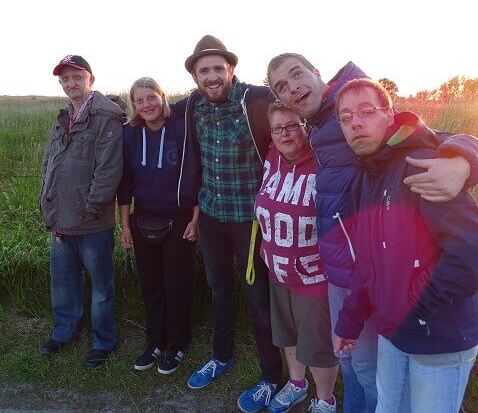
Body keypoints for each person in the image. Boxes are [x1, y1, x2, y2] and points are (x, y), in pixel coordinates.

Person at [266, 54, 478, 412]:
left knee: (373, 371)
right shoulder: (317, 131)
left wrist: (465, 159)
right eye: (281, 86)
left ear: (316, 72)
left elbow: (425, 137)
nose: (292, 87)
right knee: (354, 364)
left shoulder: (357, 110)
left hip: (385, 283)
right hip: (352, 274)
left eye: (297, 74)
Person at [332, 78, 478, 412]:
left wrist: (412, 305)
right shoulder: (365, 180)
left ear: (389, 114)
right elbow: (367, 264)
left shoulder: (423, 165)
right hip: (392, 335)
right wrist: (349, 323)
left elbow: (470, 255)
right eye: (345, 118)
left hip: (439, 340)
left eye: (366, 111)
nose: (355, 123)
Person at [171, 35, 283, 413]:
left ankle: (271, 376)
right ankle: (221, 356)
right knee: (220, 290)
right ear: (195, 77)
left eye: (218, 68)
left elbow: (300, 117)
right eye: (204, 71)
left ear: (231, 69)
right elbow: (153, 111)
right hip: (211, 218)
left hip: (250, 221)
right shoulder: (192, 106)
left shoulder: (257, 100)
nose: (212, 77)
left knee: (258, 299)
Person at [39, 54, 124, 370]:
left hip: (91, 221)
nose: (70, 83)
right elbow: (50, 163)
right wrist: (49, 207)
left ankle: (103, 342)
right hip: (60, 220)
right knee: (63, 284)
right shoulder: (64, 117)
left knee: (101, 287)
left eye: (77, 77)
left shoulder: (106, 117)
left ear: (91, 79)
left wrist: (90, 208)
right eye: (65, 79)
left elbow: (109, 170)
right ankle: (65, 332)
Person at [255, 100, 339, 413]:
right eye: (277, 128)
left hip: (313, 276)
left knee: (317, 345)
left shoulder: (323, 163)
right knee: (286, 335)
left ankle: (325, 400)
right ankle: (297, 383)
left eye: (293, 125)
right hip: (277, 271)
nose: (285, 133)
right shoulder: (271, 157)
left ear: (306, 127)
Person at [117, 77, 200, 375]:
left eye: (151, 97)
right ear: (134, 105)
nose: (146, 105)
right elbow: (125, 181)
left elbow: (197, 172)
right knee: (151, 285)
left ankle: (178, 343)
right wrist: (125, 225)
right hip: (143, 219)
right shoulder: (129, 133)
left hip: (179, 218)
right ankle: (155, 342)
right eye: (139, 100)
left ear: (162, 97)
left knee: (177, 284)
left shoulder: (182, 126)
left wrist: (195, 219)